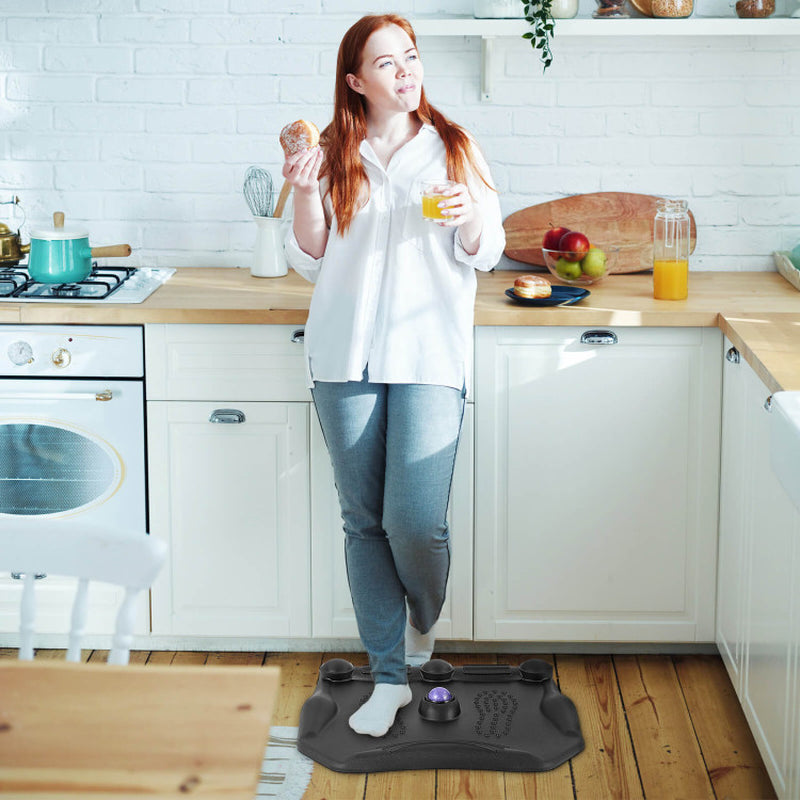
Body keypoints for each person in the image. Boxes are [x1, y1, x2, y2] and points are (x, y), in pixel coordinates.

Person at [282, 13, 505, 738]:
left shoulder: (454, 148)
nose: (406, 73)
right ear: (356, 82)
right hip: (343, 359)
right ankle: (388, 676)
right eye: (387, 64)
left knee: (415, 521)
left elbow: (487, 251)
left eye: (411, 58)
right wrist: (305, 190)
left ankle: (421, 620)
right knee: (363, 521)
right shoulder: (332, 150)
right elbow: (311, 257)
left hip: (429, 359)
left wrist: (471, 216)